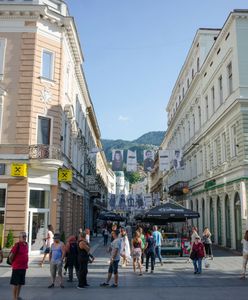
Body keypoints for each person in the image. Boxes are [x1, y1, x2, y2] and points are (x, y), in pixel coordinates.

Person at [9, 232, 29, 300]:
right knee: (15, 284)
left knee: (20, 283)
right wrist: (13, 263)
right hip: (17, 267)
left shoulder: (26, 244)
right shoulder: (17, 245)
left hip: (24, 267)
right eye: (23, 236)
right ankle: (14, 298)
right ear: (19, 238)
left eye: (25, 236)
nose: (24, 238)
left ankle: (17, 296)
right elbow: (11, 256)